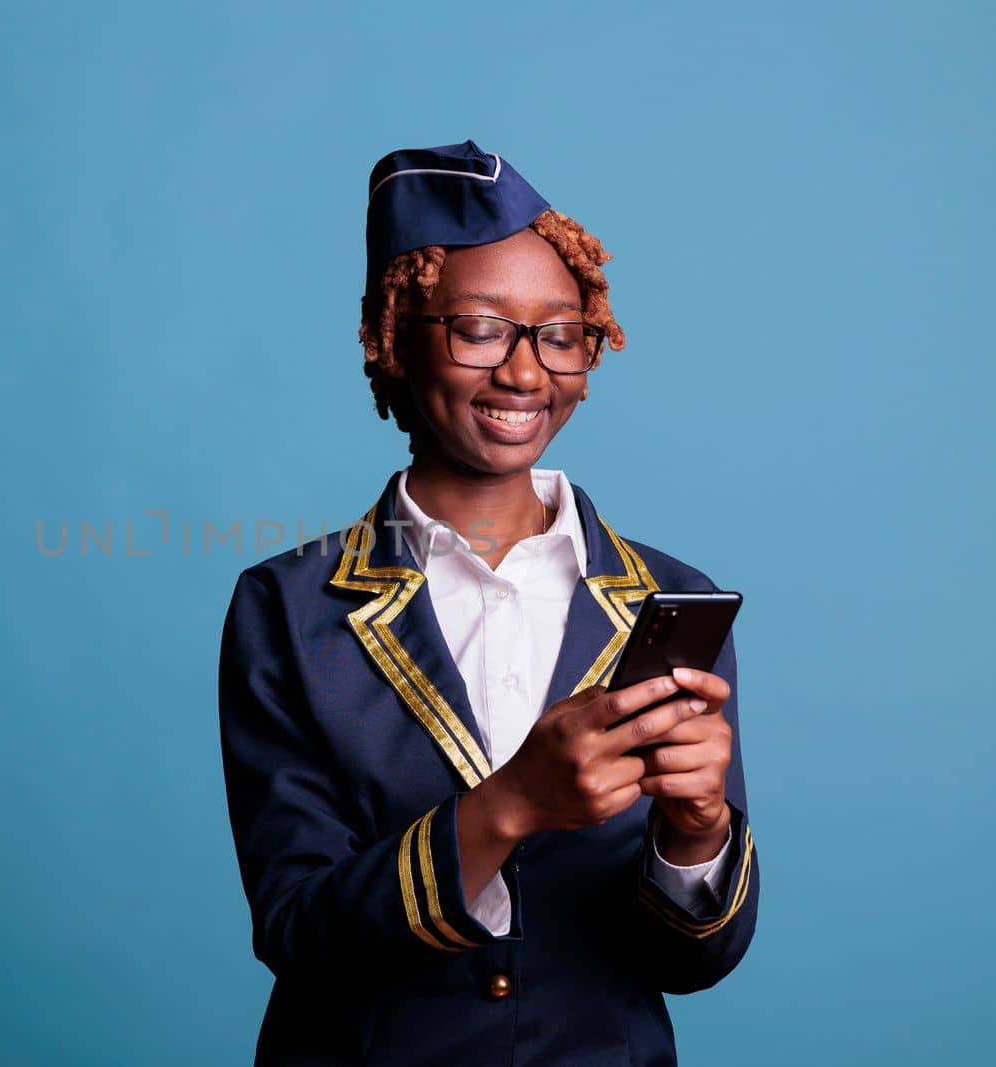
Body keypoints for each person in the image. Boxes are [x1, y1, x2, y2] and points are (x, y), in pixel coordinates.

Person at [217, 140, 759, 1066]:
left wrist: (699, 831)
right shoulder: (289, 608)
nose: (524, 373)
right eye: (479, 328)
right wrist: (507, 804)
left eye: (560, 333)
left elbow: (692, 963)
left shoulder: (671, 602)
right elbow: (299, 930)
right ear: (394, 334)